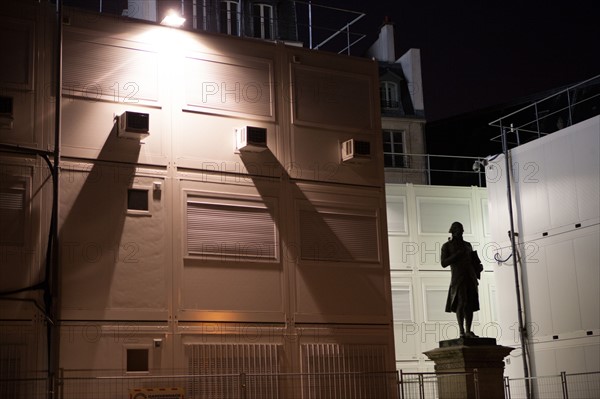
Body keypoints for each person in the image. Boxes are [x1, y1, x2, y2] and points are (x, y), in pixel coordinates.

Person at [441, 221, 482, 338]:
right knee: (461, 302)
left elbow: (473, 260)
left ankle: (468, 330)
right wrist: (456, 255)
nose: (462, 231)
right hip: (458, 278)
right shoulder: (447, 246)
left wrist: (478, 266)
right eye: (459, 229)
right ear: (453, 231)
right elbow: (443, 263)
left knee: (470, 304)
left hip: (470, 276)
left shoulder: (467, 245)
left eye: (462, 229)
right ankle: (461, 331)